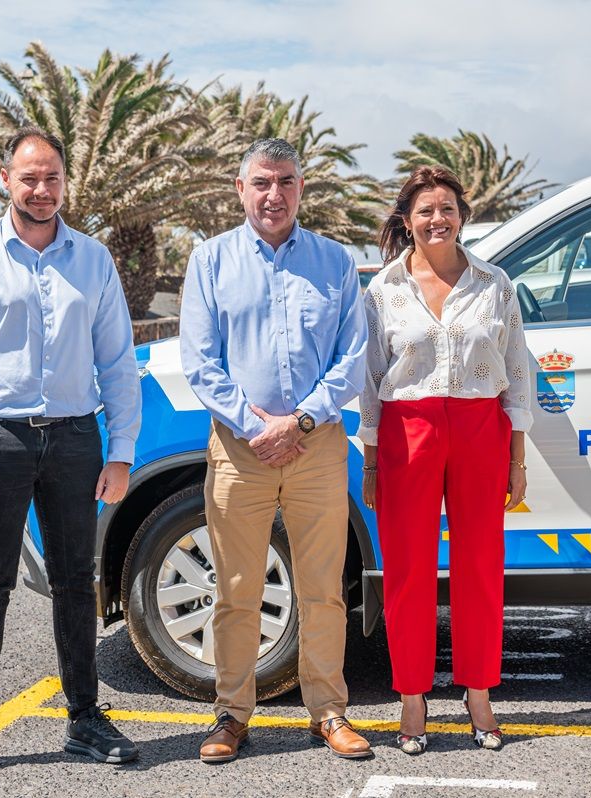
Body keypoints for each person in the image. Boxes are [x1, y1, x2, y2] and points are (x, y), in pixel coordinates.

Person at [0, 127, 143, 783]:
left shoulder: (93, 258)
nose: (42, 190)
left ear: (64, 182)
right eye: (29, 178)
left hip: (77, 439)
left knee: (77, 582)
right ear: (5, 180)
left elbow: (117, 359)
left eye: (52, 178)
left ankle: (84, 719)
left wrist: (121, 452)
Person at [179, 138, 372, 763]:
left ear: (301, 188)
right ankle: (231, 715)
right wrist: (254, 424)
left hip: (317, 446)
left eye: (286, 181)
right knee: (236, 588)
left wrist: (303, 420)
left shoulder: (335, 262)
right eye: (262, 182)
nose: (274, 194)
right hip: (241, 450)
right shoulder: (209, 262)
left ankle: (330, 712)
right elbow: (199, 362)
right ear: (241, 189)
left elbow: (352, 357)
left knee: (322, 589)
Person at [358, 165, 532, 755]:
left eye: (448, 208)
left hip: (482, 427)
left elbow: (518, 373)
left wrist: (518, 456)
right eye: (426, 210)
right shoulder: (382, 290)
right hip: (408, 429)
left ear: (463, 216)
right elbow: (370, 379)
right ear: (406, 222)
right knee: (407, 570)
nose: (439, 219)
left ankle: (479, 693)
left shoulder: (495, 284)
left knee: (480, 564)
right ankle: (412, 696)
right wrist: (373, 459)